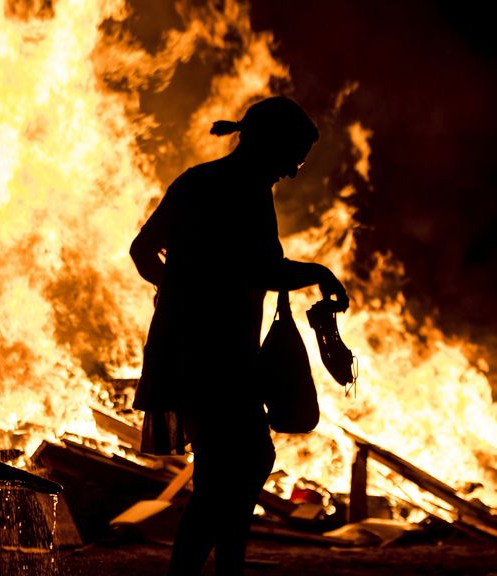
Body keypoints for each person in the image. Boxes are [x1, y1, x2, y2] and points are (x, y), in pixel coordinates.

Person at [129, 96, 348, 576]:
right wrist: (317, 271)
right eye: (293, 157)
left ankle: (223, 570)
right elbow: (261, 269)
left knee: (225, 469)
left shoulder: (198, 181)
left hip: (191, 349)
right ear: (269, 144)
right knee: (245, 461)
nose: (293, 171)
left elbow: (142, 251)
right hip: (214, 356)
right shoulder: (241, 190)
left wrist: (180, 292)